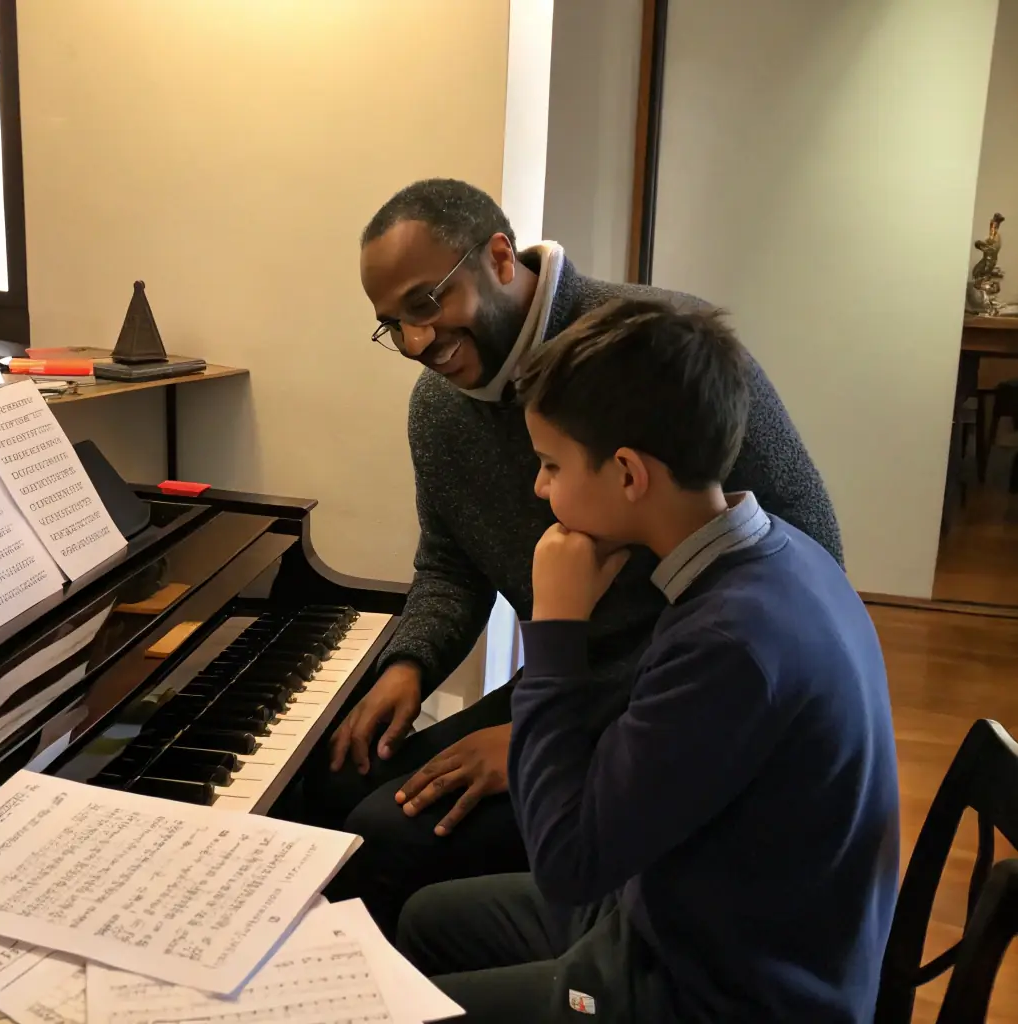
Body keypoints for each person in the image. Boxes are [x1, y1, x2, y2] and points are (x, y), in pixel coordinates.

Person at [311, 178, 844, 934]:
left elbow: (806, 545)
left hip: (670, 706)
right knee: (332, 780)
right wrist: (408, 663)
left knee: (387, 840)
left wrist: (547, 735)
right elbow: (449, 565)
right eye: (391, 324)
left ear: (498, 257)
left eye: (426, 304)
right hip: (569, 685)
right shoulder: (437, 411)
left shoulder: (654, 345)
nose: (415, 342)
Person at [395, 298, 899, 1023]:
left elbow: (568, 864)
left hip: (726, 989)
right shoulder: (776, 551)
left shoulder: (729, 641)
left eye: (548, 465)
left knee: (402, 1007)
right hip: (700, 907)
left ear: (628, 473)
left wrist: (556, 627)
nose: (539, 489)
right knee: (425, 918)